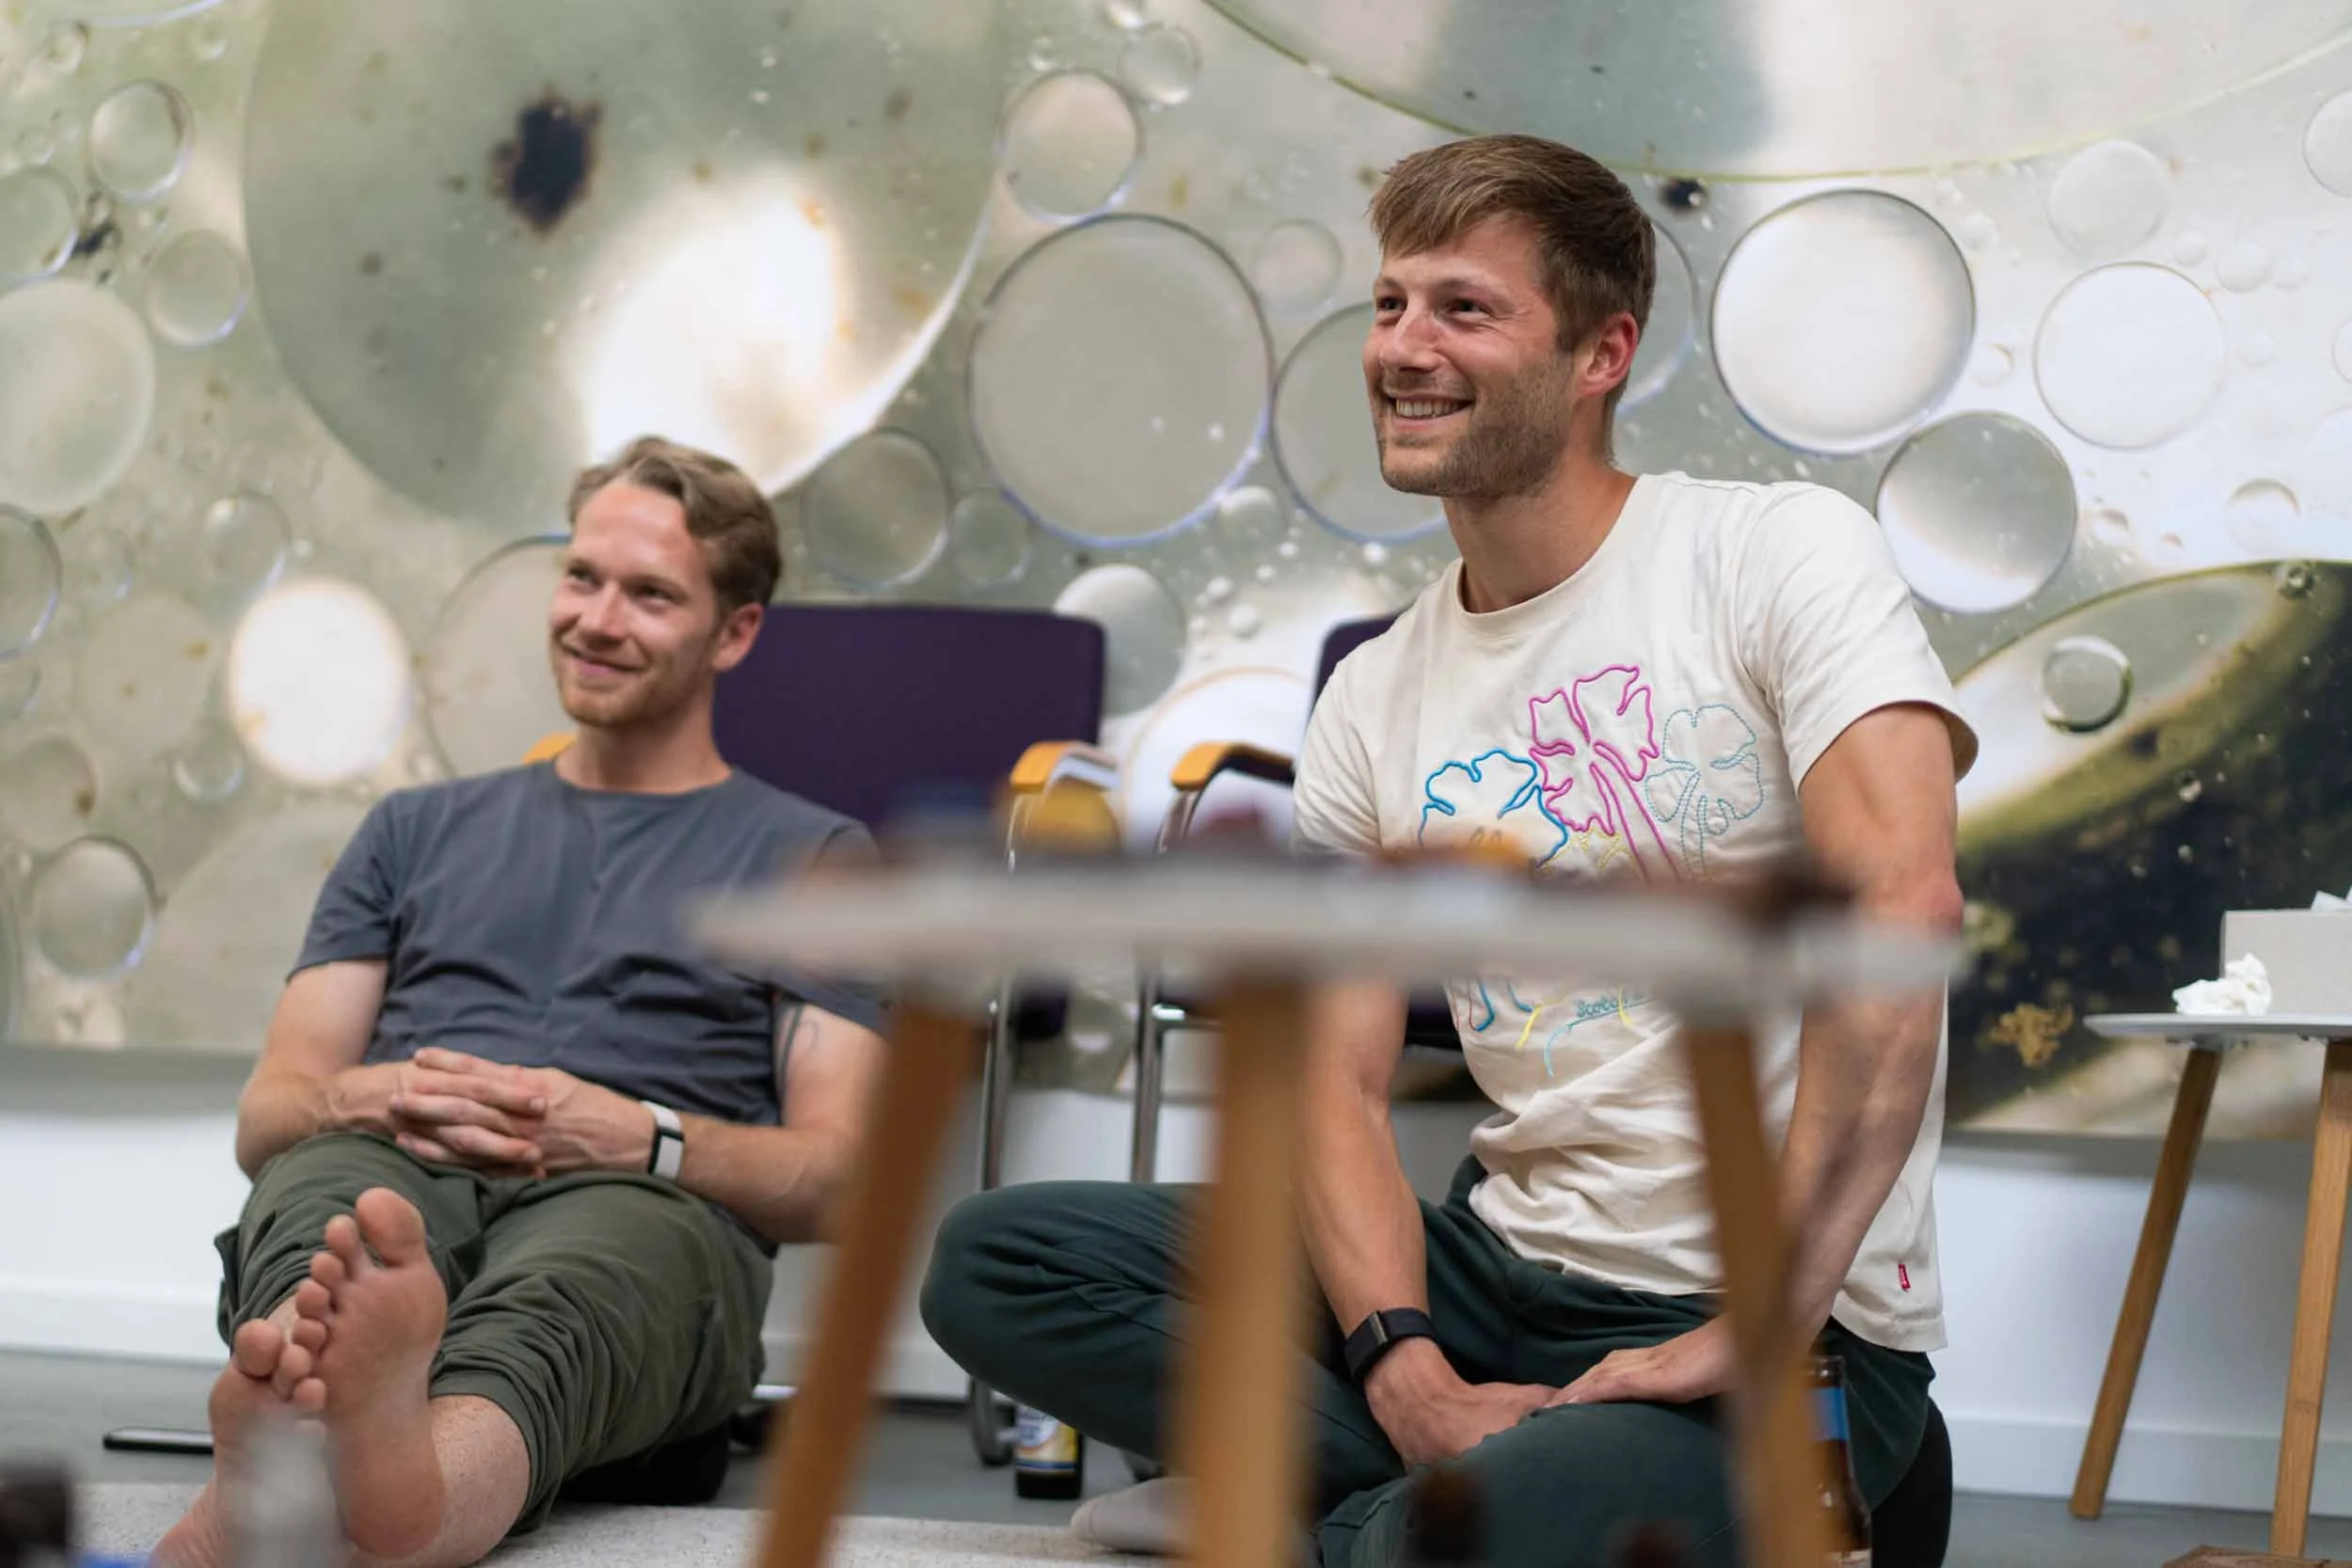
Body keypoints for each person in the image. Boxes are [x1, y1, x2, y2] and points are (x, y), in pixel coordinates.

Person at [920, 134, 1978, 1567]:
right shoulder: (1373, 695)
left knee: (1425, 1546)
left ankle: (1364, 1500)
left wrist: (1764, 1315)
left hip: (1779, 1322)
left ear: (1603, 352)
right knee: (1001, 1258)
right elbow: (1338, 1079)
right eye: (1388, 303)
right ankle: (1418, 1479)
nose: (1403, 348)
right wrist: (1401, 1360)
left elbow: (1902, 918)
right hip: (1498, 1269)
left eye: (1464, 308)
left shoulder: (1778, 552)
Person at [154, 436, 891, 1568]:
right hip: (404, 1159)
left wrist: (642, 1136)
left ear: (734, 630)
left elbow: (840, 1180)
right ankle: (327, 1435)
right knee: (332, 1220)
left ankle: (385, 1495)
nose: (596, 620)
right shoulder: (413, 829)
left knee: (568, 1289)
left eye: (650, 595)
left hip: (640, 1196)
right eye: (581, 575)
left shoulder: (817, 858)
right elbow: (271, 1113)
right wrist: (378, 1092)